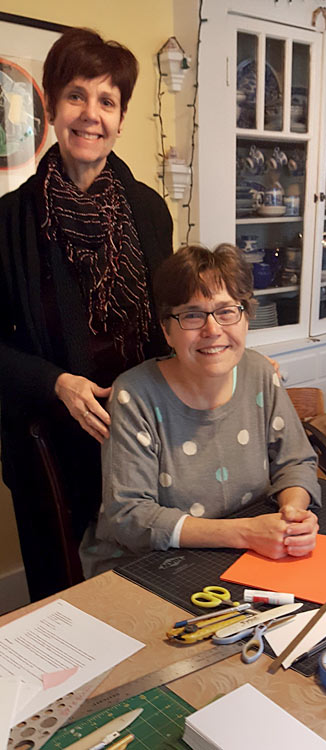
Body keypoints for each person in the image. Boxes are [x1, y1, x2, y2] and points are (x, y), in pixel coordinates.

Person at [0, 27, 173, 600]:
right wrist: (58, 383)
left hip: (143, 437)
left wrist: (227, 351)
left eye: (107, 100)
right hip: (52, 447)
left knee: (150, 586)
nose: (90, 114)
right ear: (50, 104)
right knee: (65, 597)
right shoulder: (9, 222)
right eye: (76, 95)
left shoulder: (149, 211)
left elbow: (169, 322)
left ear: (121, 118)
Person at [80, 244, 320, 577]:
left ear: (246, 318)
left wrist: (292, 516)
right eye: (192, 314)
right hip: (146, 563)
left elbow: (296, 461)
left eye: (226, 311)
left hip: (239, 555)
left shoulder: (261, 373)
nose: (212, 330)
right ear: (167, 329)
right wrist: (246, 533)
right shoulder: (134, 394)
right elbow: (129, 516)